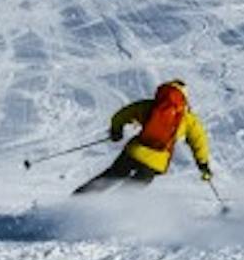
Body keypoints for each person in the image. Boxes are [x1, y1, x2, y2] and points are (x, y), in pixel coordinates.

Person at [76, 77, 216, 193]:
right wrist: (203, 165)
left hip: (133, 152)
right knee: (129, 191)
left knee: (112, 176)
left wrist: (116, 131)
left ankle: (78, 200)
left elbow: (121, 115)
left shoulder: (148, 106)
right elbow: (199, 142)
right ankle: (108, 214)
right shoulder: (188, 119)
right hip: (155, 162)